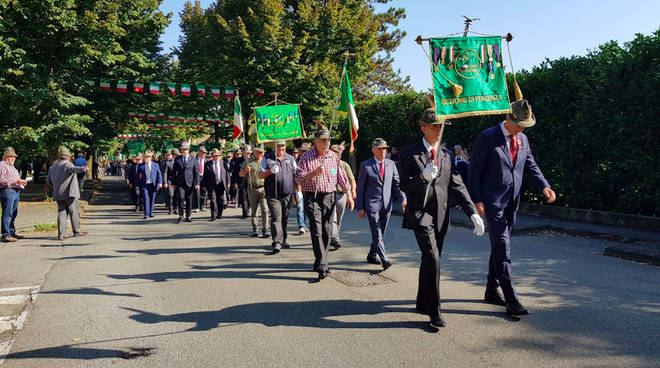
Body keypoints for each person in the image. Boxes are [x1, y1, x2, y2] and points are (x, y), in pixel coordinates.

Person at [468, 99, 556, 316]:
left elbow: (530, 164)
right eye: (519, 124)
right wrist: (477, 200)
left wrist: (544, 185)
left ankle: (491, 289)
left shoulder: (523, 139)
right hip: (492, 202)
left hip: (512, 202)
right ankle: (511, 298)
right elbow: (474, 171)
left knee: (499, 246)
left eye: (525, 125)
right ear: (508, 118)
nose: (522, 128)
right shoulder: (487, 137)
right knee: (503, 248)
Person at [399, 108, 485, 328]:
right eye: (434, 126)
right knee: (433, 259)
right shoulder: (410, 152)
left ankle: (421, 301)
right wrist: (421, 176)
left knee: (429, 260)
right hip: (420, 214)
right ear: (423, 128)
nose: (439, 130)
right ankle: (434, 310)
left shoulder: (446, 155)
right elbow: (403, 185)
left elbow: (457, 185)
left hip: (441, 215)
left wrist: (472, 212)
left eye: (441, 126)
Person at [295, 128, 354, 280]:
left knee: (327, 230)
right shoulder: (307, 156)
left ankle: (320, 260)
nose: (326, 143)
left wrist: (348, 194)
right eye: (323, 140)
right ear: (316, 141)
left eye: (328, 140)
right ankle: (322, 264)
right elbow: (299, 178)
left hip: (329, 196)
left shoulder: (333, 156)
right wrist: (313, 173)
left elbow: (341, 176)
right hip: (312, 197)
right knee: (316, 230)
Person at [356, 138, 406, 270]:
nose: (383, 151)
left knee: (380, 232)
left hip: (387, 204)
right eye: (380, 148)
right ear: (373, 149)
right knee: (377, 232)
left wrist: (403, 199)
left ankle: (372, 254)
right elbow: (360, 188)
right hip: (371, 204)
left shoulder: (390, 164)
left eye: (385, 148)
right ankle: (385, 259)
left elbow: (397, 185)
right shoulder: (365, 165)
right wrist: (360, 207)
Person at [259, 140, 296, 254]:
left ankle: (283, 239)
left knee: (284, 218)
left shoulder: (290, 158)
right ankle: (277, 242)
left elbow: (297, 174)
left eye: (283, 145)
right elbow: (260, 174)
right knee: (276, 217)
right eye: (279, 145)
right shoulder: (268, 158)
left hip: (287, 194)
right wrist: (270, 171)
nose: (281, 148)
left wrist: (298, 192)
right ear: (275, 146)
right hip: (272, 195)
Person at [46, 146, 89, 241]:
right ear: (67, 157)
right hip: (70, 193)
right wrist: (83, 168)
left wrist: (54, 187)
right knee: (74, 212)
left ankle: (61, 235)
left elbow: (48, 180)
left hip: (58, 193)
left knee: (61, 213)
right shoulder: (67, 165)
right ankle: (76, 231)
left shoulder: (52, 167)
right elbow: (74, 169)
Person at [329, 143, 356, 250]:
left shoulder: (344, 165)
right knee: (333, 219)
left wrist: (353, 191)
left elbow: (351, 179)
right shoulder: (326, 164)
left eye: (338, 154)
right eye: (334, 153)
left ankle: (334, 236)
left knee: (338, 219)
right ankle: (335, 239)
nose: (336, 155)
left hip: (342, 195)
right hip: (330, 194)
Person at [240, 144, 269, 237]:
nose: (260, 154)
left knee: (265, 209)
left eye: (262, 152)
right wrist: (245, 171)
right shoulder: (248, 161)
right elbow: (240, 174)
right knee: (254, 210)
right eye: (259, 152)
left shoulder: (266, 161)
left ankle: (265, 229)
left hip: (264, 188)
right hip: (252, 188)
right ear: (254, 152)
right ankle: (255, 228)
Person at [0, 147, 27, 243]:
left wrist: (21, 182)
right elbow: (1, 180)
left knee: (14, 213)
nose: (13, 159)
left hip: (15, 190)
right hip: (7, 191)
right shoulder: (2, 165)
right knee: (7, 213)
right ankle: (6, 234)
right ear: (6, 156)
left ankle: (11, 232)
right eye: (11, 157)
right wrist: (15, 181)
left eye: (14, 157)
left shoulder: (12, 166)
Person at [172, 142, 200, 223]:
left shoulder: (193, 159)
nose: (183, 151)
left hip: (190, 182)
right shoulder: (178, 159)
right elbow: (174, 172)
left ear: (188, 150)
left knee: (189, 199)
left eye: (185, 149)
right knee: (180, 198)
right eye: (182, 149)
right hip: (180, 182)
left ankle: (188, 215)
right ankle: (181, 215)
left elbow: (197, 172)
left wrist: (197, 183)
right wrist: (173, 183)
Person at [202, 149, 228, 221]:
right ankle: (213, 215)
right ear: (212, 157)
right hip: (211, 184)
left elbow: (226, 174)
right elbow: (205, 175)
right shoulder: (208, 164)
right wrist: (204, 185)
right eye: (215, 156)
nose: (216, 157)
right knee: (213, 200)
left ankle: (219, 214)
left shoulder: (223, 163)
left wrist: (228, 183)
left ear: (220, 156)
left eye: (218, 156)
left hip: (221, 184)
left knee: (221, 200)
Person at [135, 151, 162, 219]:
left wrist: (160, 183)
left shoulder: (155, 165)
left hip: (153, 184)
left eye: (148, 157)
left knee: (152, 199)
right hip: (144, 185)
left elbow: (159, 174)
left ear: (151, 158)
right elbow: (137, 176)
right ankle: (146, 214)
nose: (146, 158)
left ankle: (151, 212)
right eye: (145, 157)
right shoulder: (141, 166)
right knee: (146, 199)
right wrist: (137, 185)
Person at [293, 142, 311, 235]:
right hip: (298, 188)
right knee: (300, 207)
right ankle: (301, 225)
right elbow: (296, 176)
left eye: (304, 151)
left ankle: (305, 223)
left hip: (309, 188)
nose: (302, 153)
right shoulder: (295, 162)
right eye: (301, 151)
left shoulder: (310, 160)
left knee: (308, 207)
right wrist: (298, 190)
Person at [194, 147, 208, 212]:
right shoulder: (194, 160)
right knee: (197, 192)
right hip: (197, 177)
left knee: (204, 192)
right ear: (199, 152)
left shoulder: (206, 160)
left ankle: (203, 206)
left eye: (205, 153)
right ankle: (197, 206)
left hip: (204, 177)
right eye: (203, 152)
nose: (204, 154)